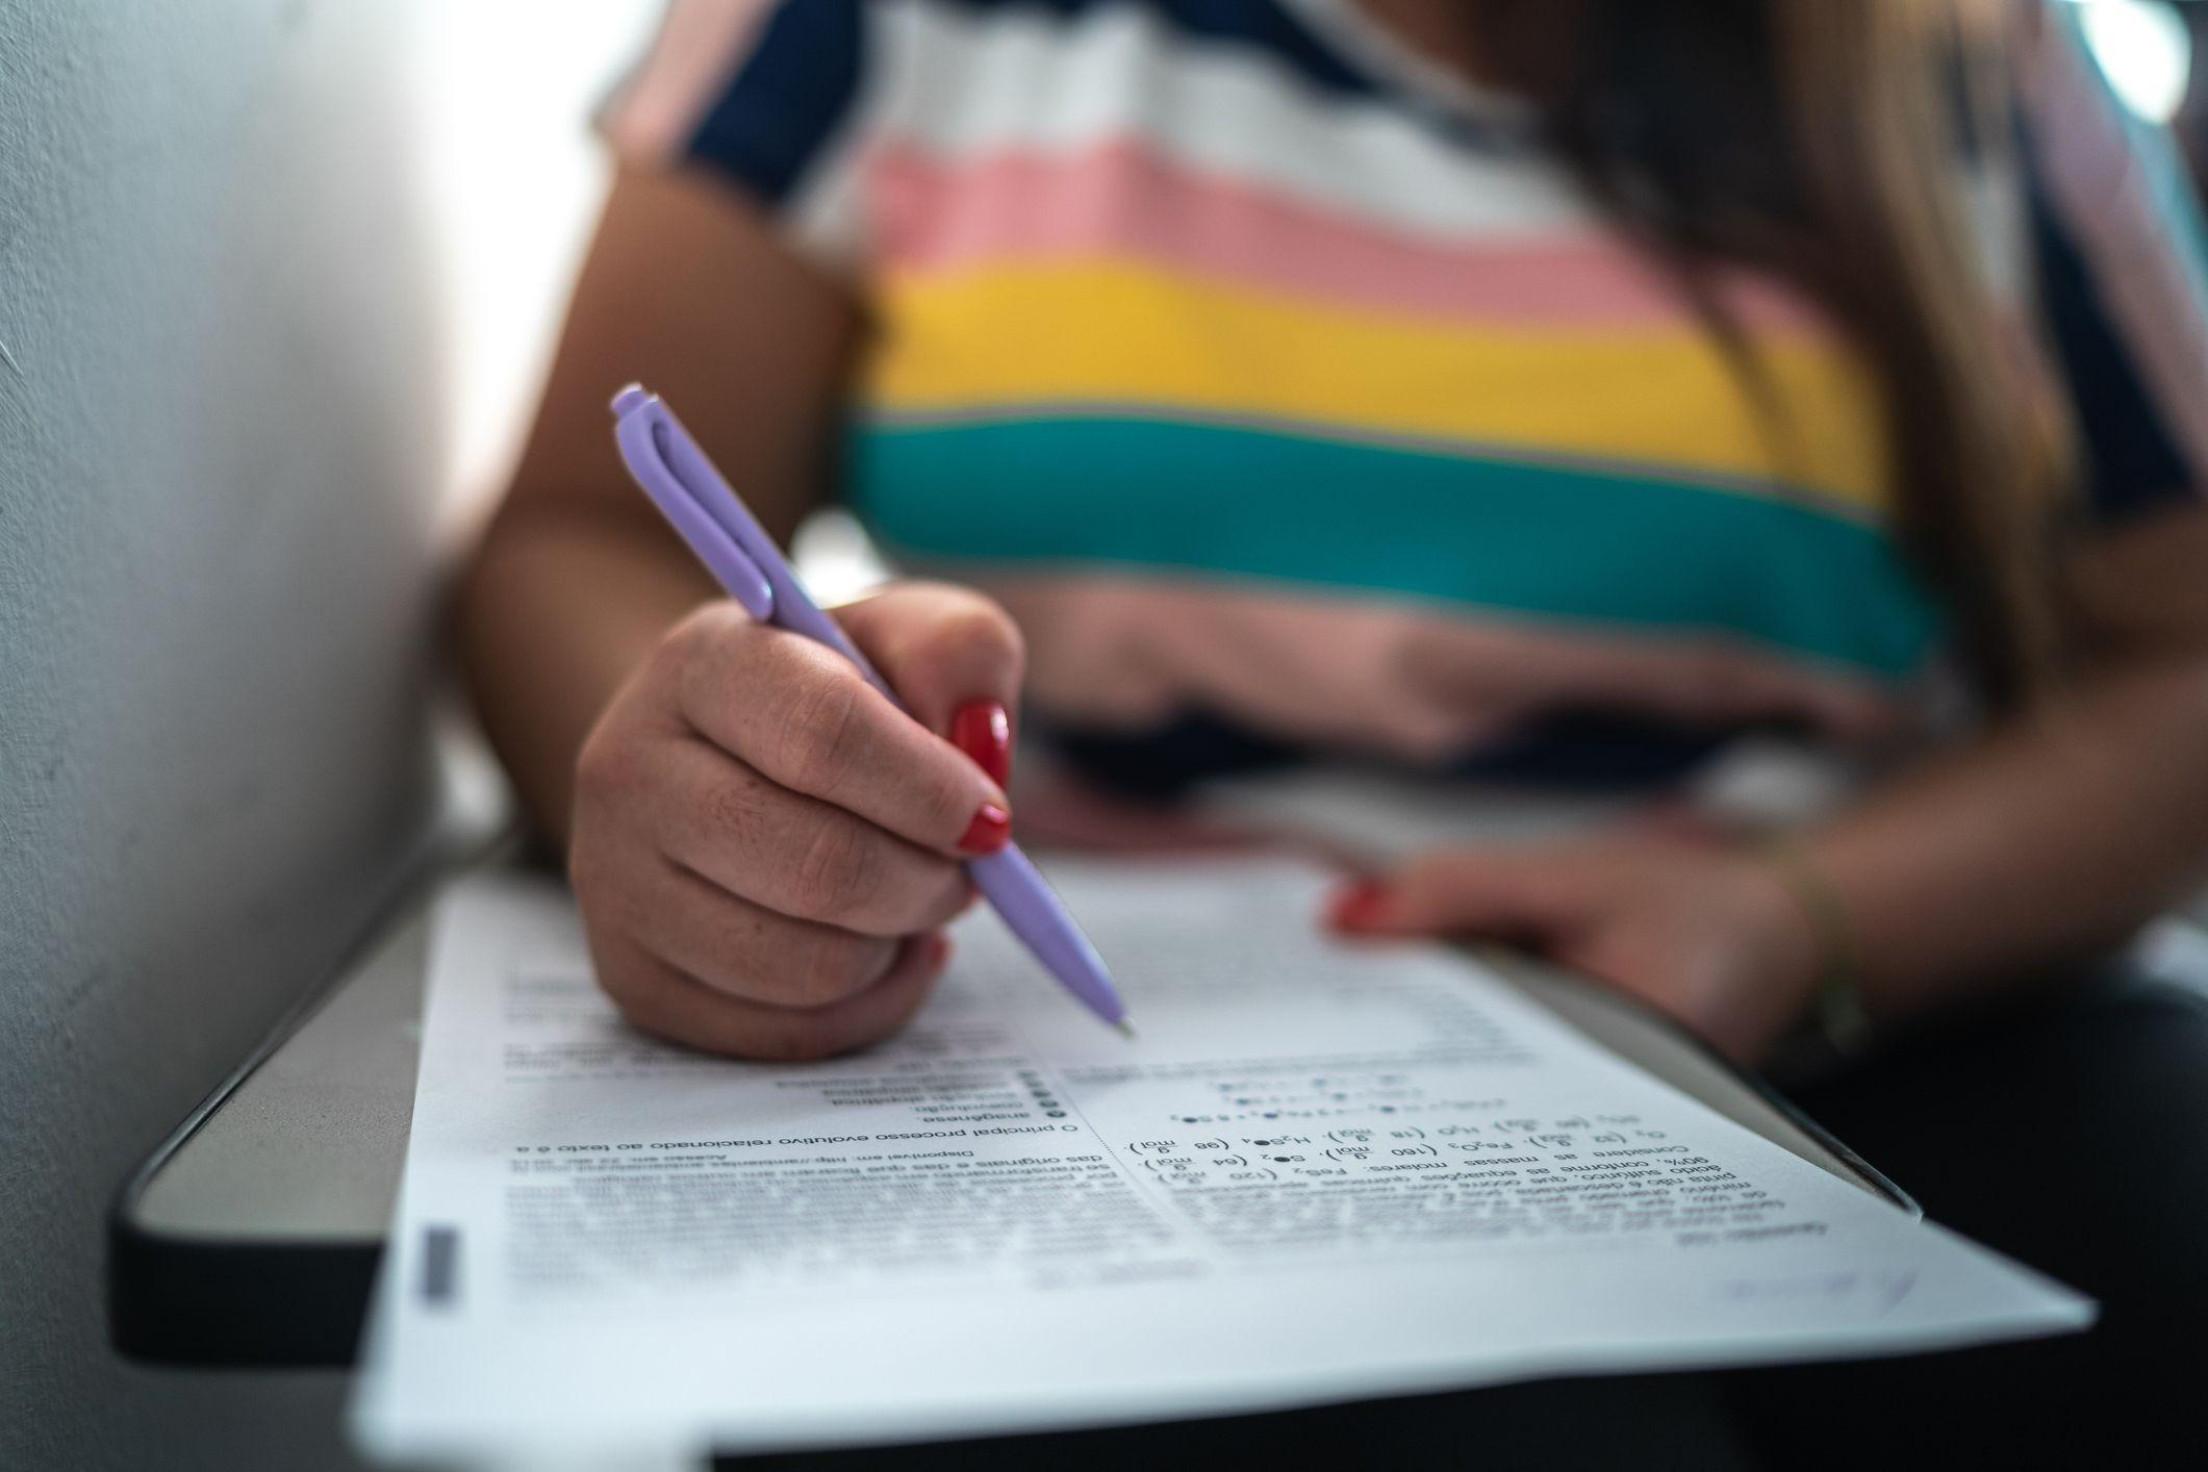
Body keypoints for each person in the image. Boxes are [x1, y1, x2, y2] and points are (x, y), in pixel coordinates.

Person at [457, 1, 2208, 1464]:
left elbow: (2181, 667)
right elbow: (574, 541)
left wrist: (1802, 915)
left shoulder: (1966, 61)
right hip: (1056, 1065)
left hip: (1859, 1013)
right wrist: (725, 785)